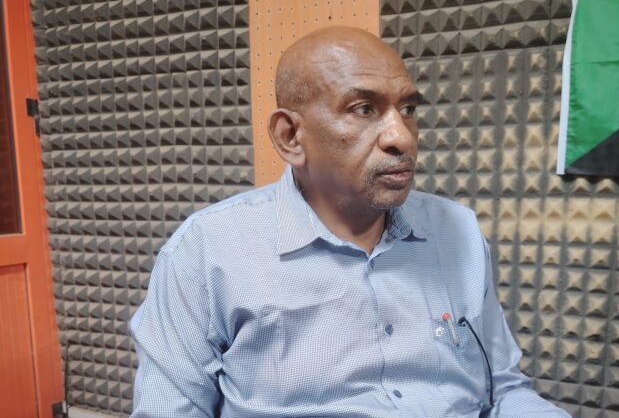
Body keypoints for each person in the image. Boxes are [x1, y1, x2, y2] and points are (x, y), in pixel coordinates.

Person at [130, 26, 570, 417]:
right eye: (363, 109)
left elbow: (502, 388)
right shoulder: (208, 250)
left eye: (408, 109)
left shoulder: (458, 232)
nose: (402, 137)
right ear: (290, 136)